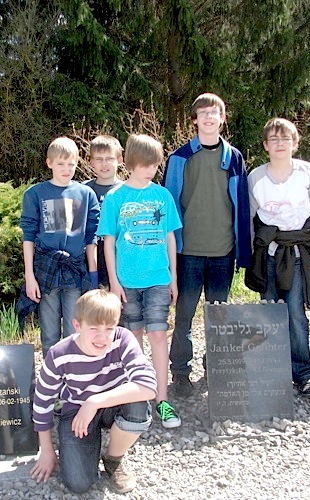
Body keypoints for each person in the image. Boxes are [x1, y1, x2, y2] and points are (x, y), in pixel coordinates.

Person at [162, 93, 252, 397]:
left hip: (222, 252)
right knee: (184, 317)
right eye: (203, 113)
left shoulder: (235, 158)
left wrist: (242, 251)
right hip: (187, 253)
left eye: (214, 113)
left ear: (222, 119)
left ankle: (215, 366)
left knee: (219, 318)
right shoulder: (179, 158)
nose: (209, 117)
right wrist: (170, 253)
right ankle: (180, 372)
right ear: (194, 120)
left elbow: (241, 206)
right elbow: (168, 208)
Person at [31, 289, 157, 494]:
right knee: (78, 484)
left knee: (137, 404)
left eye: (109, 328)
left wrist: (95, 402)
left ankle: (113, 458)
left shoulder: (122, 339)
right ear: (77, 326)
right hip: (77, 410)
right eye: (93, 328)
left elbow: (149, 385)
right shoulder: (59, 354)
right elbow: (42, 401)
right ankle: (87, 445)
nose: (102, 337)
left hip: (112, 405)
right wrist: (46, 450)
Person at [97, 134, 182, 428]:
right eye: (145, 165)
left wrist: (174, 278)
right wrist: (113, 281)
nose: (150, 170)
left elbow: (170, 237)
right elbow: (109, 242)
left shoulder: (163, 196)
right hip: (126, 281)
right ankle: (140, 397)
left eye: (155, 165)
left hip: (159, 278)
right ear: (130, 163)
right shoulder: (115, 198)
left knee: (158, 334)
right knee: (134, 338)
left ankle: (162, 400)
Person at [245, 118, 310, 397]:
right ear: (265, 145)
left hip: (296, 255)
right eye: (274, 139)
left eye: (285, 139)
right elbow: (250, 220)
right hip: (268, 254)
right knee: (270, 313)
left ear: (295, 143)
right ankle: (273, 371)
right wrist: (250, 257)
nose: (279, 144)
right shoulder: (256, 177)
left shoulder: (306, 172)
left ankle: (303, 373)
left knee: (295, 314)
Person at [19, 136, 100, 357]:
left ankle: (73, 372)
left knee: (75, 330)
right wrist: (30, 277)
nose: (66, 169)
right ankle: (51, 373)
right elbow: (28, 237)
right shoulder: (35, 194)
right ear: (49, 163)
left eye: (71, 164)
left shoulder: (86, 194)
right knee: (49, 334)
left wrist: (93, 277)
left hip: (75, 270)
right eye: (60, 163)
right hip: (47, 270)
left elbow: (91, 238)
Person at [83, 135, 124, 289]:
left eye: (109, 159)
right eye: (99, 159)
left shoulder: (127, 191)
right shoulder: (83, 190)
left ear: (120, 160)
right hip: (90, 255)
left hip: (118, 254)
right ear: (91, 162)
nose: (104, 164)